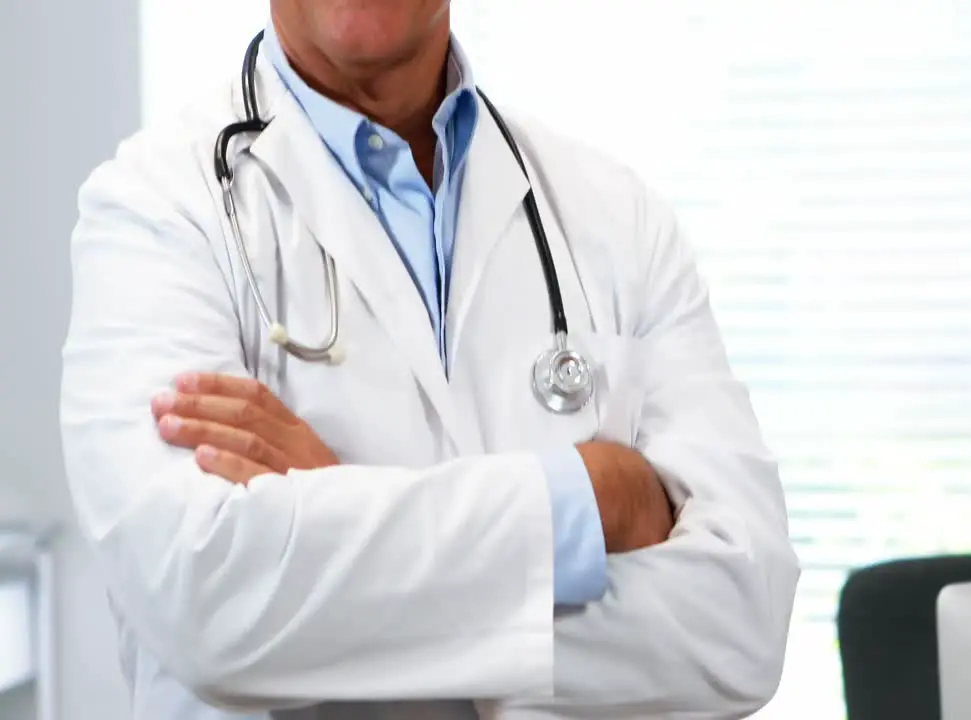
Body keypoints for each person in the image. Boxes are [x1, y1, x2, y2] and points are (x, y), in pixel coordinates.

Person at [60, 1, 799, 718]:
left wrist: (341, 527)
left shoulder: (619, 219)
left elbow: (742, 624)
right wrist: (596, 498)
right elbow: (210, 603)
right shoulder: (156, 214)